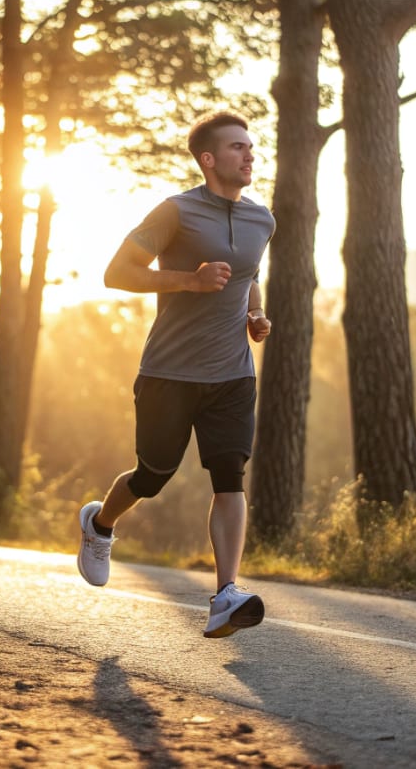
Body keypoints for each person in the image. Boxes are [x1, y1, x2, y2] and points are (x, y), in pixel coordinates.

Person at [76, 110, 275, 638]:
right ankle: (99, 525)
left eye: (251, 147)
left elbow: (249, 276)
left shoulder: (262, 220)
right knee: (153, 475)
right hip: (169, 371)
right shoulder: (176, 212)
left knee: (230, 476)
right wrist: (189, 279)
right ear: (208, 159)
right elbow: (117, 273)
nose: (249, 154)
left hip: (233, 374)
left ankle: (225, 594)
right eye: (237, 147)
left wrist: (254, 314)